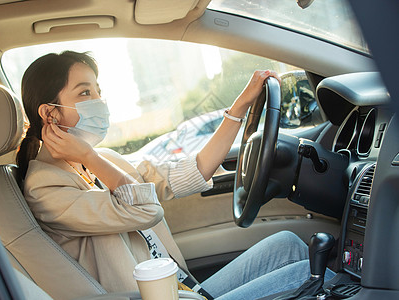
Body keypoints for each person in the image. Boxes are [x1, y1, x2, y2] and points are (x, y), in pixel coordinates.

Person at [17, 51, 334, 299]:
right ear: (50, 113)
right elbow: (143, 209)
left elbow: (188, 172)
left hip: (182, 290)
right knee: (309, 272)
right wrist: (88, 155)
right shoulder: (45, 188)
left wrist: (238, 108)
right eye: (85, 93)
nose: (100, 102)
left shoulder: (102, 160)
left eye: (99, 91)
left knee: (288, 244)